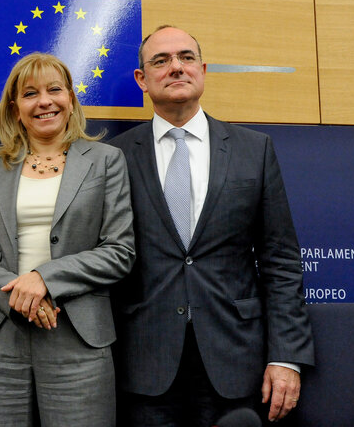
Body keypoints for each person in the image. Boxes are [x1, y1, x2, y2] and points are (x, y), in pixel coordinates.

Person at [108, 25, 315, 426]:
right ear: (142, 80)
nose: (176, 68)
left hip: (236, 362)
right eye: (161, 61)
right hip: (143, 364)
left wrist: (286, 356)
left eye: (186, 58)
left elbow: (281, 261)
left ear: (202, 69)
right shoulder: (113, 158)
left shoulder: (253, 150)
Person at [0, 52, 136, 426]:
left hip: (78, 337)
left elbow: (120, 251)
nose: (44, 101)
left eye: (54, 90)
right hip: (0, 338)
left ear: (71, 98)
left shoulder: (106, 160)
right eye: (30, 93)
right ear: (15, 108)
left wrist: (45, 278)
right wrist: (19, 296)